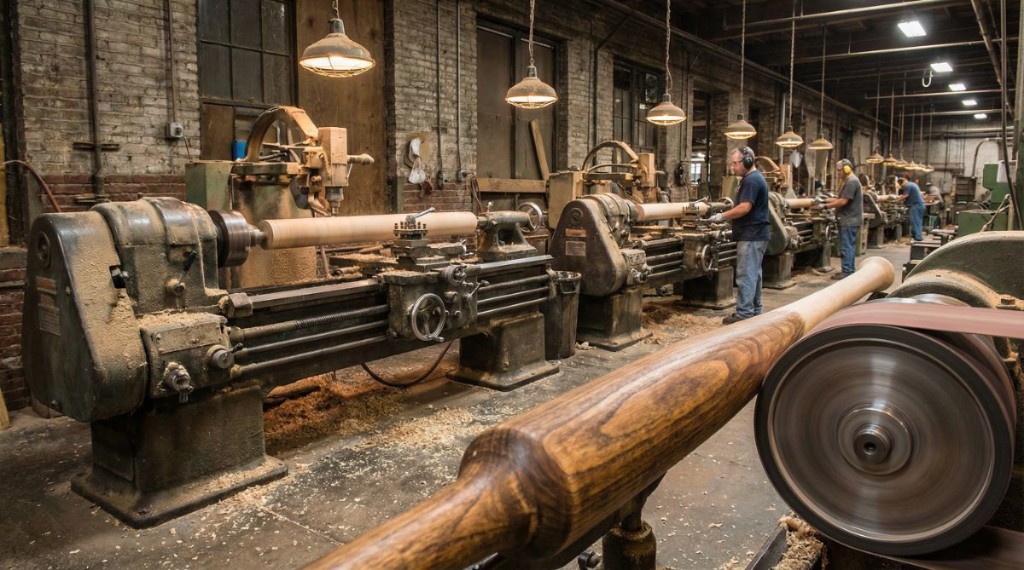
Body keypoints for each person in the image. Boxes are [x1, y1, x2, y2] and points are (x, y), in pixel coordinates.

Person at [708, 147, 770, 324]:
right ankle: (755, 310)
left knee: (746, 275)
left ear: (748, 161)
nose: (732, 167)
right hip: (757, 234)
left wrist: (723, 215)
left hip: (752, 235)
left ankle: (744, 314)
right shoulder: (753, 178)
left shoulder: (751, 180)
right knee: (754, 274)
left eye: (735, 163)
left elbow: (745, 207)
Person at [821, 159, 863, 280]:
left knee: (847, 247)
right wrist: (823, 200)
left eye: (839, 170)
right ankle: (848, 269)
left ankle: (847, 271)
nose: (837, 173)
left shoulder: (851, 182)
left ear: (847, 169)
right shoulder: (849, 181)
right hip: (848, 220)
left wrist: (825, 206)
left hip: (848, 220)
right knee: (848, 246)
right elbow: (840, 198)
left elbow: (843, 201)